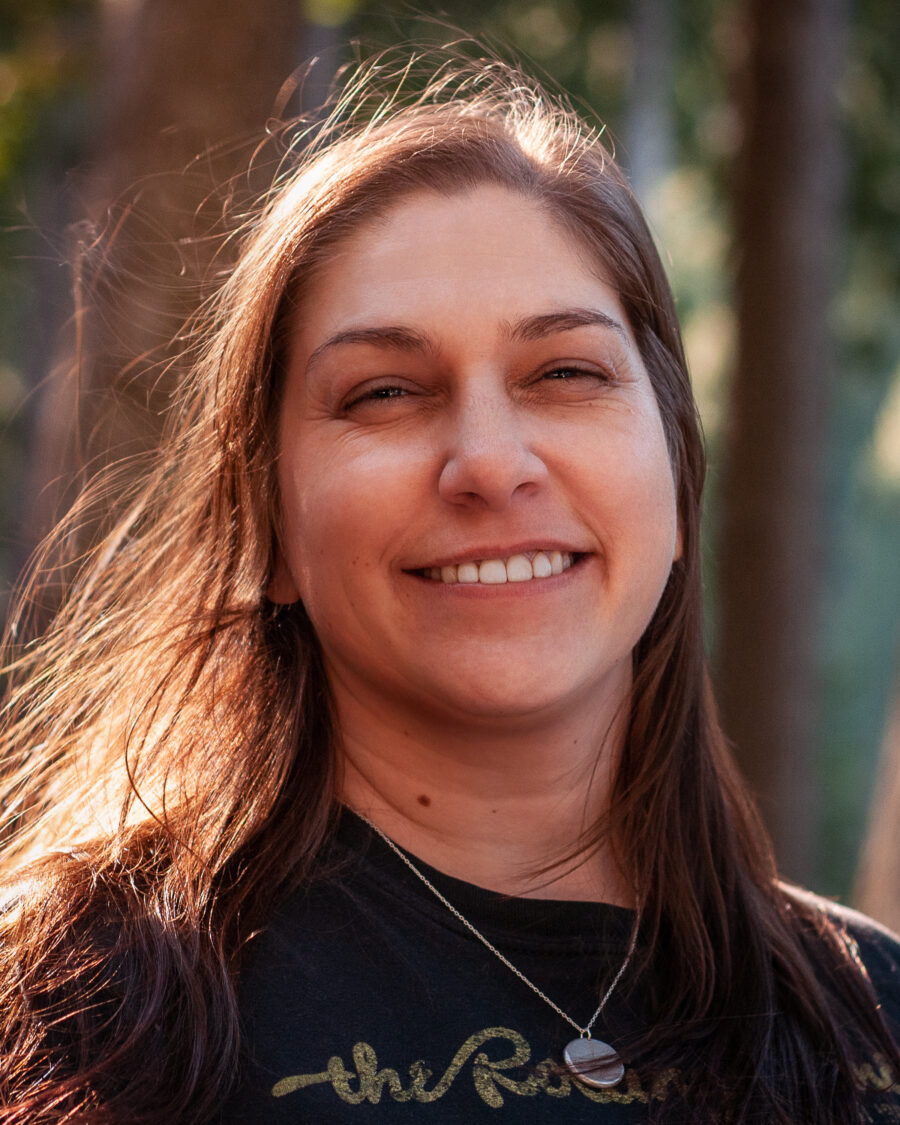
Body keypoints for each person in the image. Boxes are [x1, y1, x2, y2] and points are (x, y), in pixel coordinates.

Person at [1, 52, 898, 1125]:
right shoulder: (70, 1011)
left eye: (565, 374)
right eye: (384, 392)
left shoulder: (872, 1022)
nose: (488, 461)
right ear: (270, 525)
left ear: (672, 477)